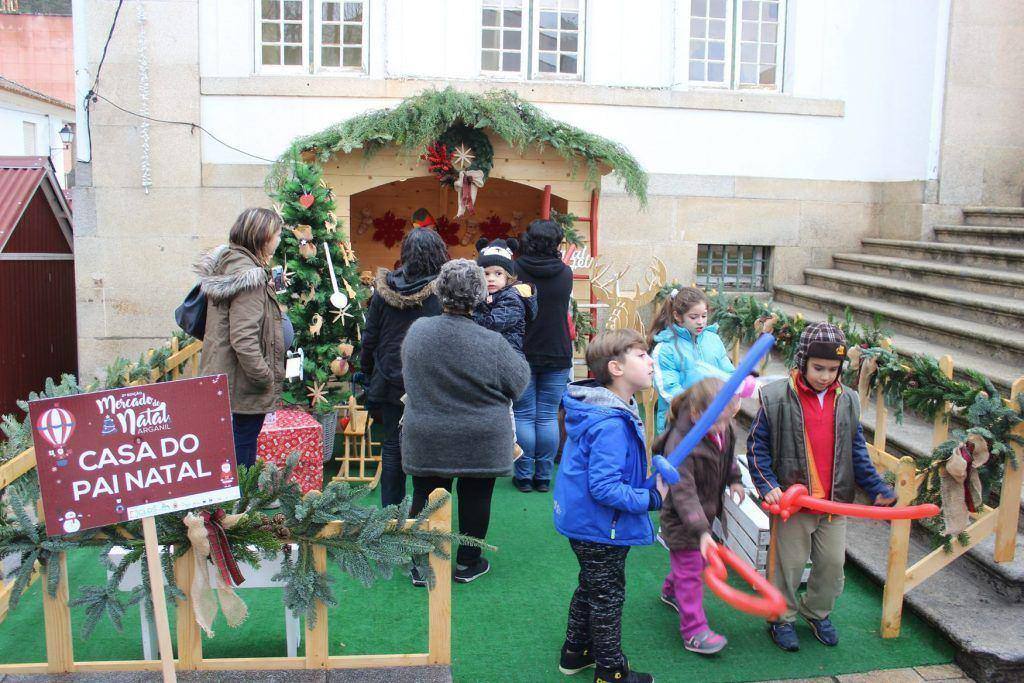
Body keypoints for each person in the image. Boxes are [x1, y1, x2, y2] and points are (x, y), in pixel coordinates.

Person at [747, 322, 896, 652]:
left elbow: (856, 449)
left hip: (833, 505)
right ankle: (780, 617)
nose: (825, 376)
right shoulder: (775, 398)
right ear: (802, 361)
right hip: (793, 505)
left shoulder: (848, 401)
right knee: (789, 565)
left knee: (831, 565)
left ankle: (816, 612)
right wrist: (768, 484)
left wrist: (874, 486)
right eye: (818, 368)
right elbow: (757, 446)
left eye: (833, 369)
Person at [401, 259, 530, 584]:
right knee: (476, 496)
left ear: (440, 292)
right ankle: (467, 563)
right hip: (480, 438)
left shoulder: (417, 333)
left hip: (427, 434)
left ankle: (422, 562)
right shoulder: (492, 342)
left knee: (426, 494)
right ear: (481, 295)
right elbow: (520, 382)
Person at [553, 329, 667, 683]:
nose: (651, 362)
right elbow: (603, 488)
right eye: (642, 355)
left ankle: (576, 651)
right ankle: (611, 671)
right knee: (607, 596)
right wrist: (651, 498)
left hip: (587, 520)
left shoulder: (610, 407)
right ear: (616, 368)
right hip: (599, 524)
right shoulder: (610, 423)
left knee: (592, 586)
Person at [654, 377, 745, 655]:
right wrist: (702, 532)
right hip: (683, 518)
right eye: (716, 421)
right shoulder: (680, 445)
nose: (722, 427)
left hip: (706, 510)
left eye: (726, 420)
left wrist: (735, 480)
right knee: (692, 570)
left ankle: (671, 589)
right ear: (695, 415)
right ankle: (693, 630)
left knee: (690, 566)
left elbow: (727, 457)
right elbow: (684, 494)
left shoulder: (723, 428)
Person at [359, 228, 448, 507]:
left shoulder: (383, 291)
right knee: (428, 449)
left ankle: (391, 515)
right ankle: (424, 515)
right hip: (429, 384)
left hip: (388, 380)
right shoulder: (443, 292)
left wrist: (365, 371)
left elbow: (370, 336)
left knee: (392, 447)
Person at [197, 207, 286, 468]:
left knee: (234, 443)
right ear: (261, 236)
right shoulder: (249, 277)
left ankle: (233, 500)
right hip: (242, 382)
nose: (279, 240)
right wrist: (264, 376)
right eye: (277, 234)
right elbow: (243, 337)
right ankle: (240, 503)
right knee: (242, 445)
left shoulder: (232, 266)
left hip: (227, 376)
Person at [512, 219, 574, 493]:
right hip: (557, 349)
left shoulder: (514, 271)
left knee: (524, 414)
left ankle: (524, 475)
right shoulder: (566, 273)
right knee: (548, 415)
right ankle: (543, 477)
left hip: (522, 350)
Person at [650, 287, 736, 434]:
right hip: (679, 426)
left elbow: (727, 373)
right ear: (677, 316)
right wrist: (698, 409)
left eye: (704, 316)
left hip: (715, 420)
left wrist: (733, 395)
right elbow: (669, 389)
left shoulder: (713, 340)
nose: (700, 322)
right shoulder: (666, 348)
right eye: (694, 317)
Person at [472, 237, 537, 356]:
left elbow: (492, 324)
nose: (491, 279)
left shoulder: (512, 298)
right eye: (486, 274)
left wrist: (469, 316)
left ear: (508, 276)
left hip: (508, 357)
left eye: (498, 273)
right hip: (492, 355)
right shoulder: (486, 295)